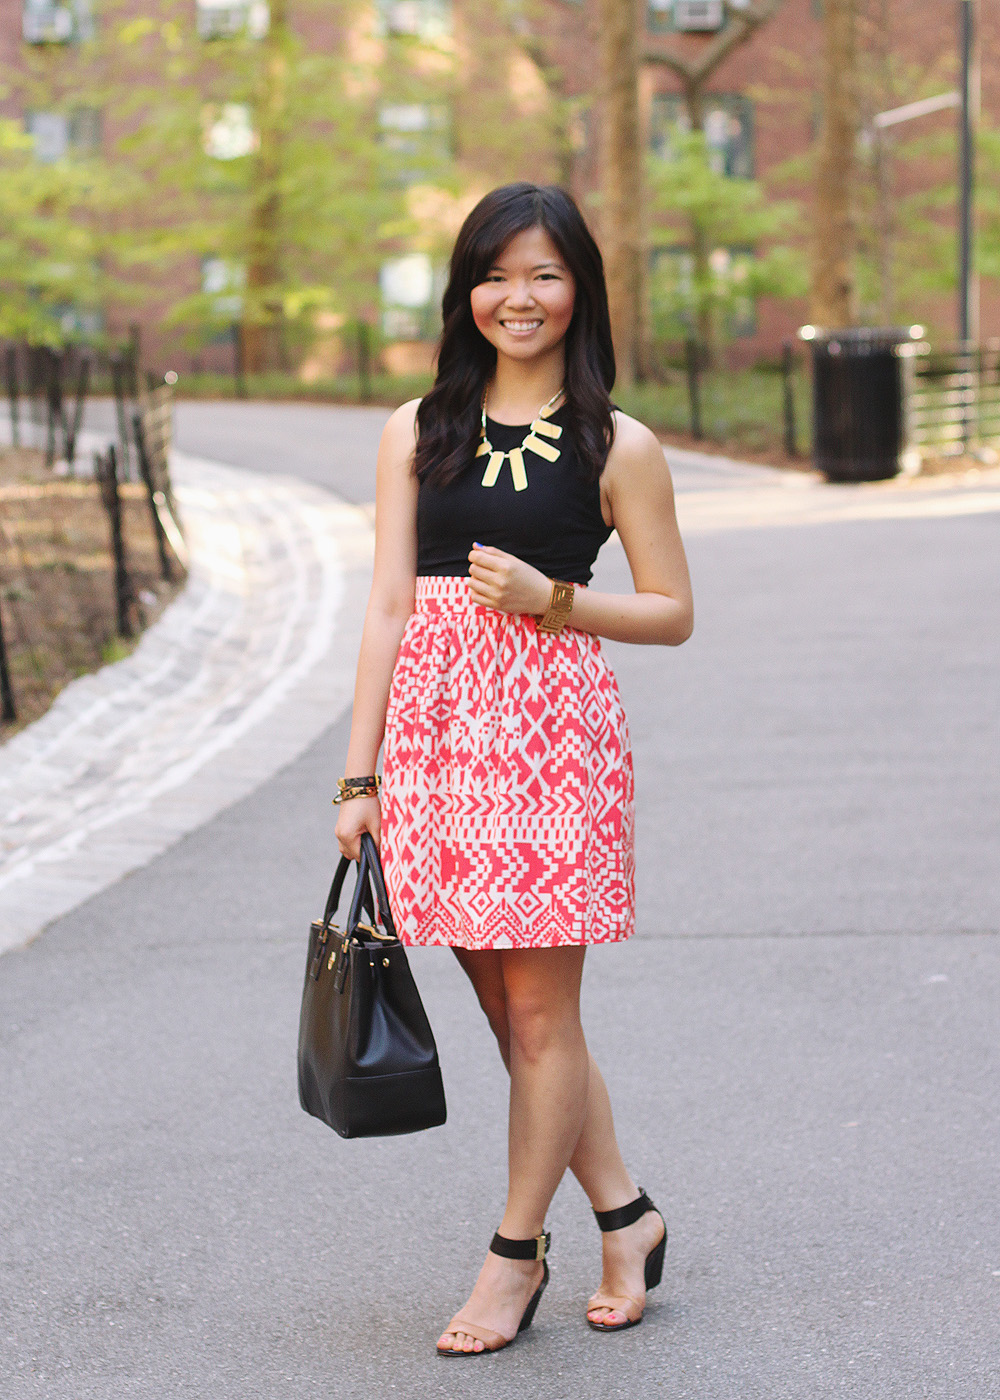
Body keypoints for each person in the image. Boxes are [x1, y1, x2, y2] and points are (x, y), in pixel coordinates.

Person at [335, 182, 693, 1356]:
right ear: (467, 290)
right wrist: (358, 776)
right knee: (507, 1012)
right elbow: (389, 602)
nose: (517, 296)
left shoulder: (618, 444)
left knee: (541, 1014)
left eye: (542, 273)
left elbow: (674, 611)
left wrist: (558, 599)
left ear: (578, 286)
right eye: (496, 274)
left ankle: (512, 1254)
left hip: (548, 749)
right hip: (435, 748)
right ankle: (627, 1214)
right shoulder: (414, 426)